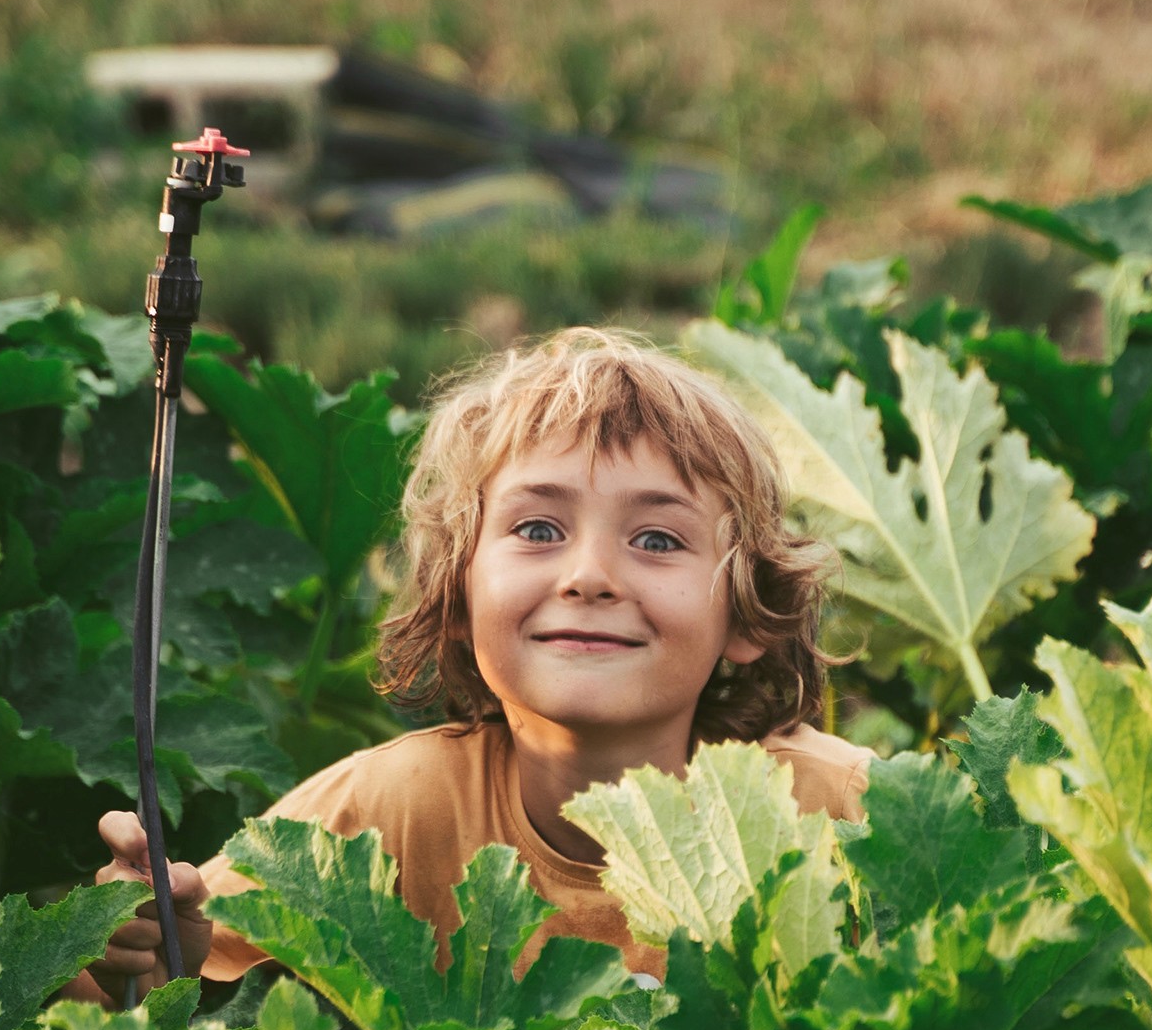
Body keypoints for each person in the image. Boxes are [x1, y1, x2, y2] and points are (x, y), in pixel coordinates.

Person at [80, 326, 866, 996]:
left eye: (657, 540)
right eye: (537, 530)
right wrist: (129, 939)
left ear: (749, 613)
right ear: (456, 596)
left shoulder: (842, 813)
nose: (588, 575)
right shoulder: (390, 808)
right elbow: (131, 993)